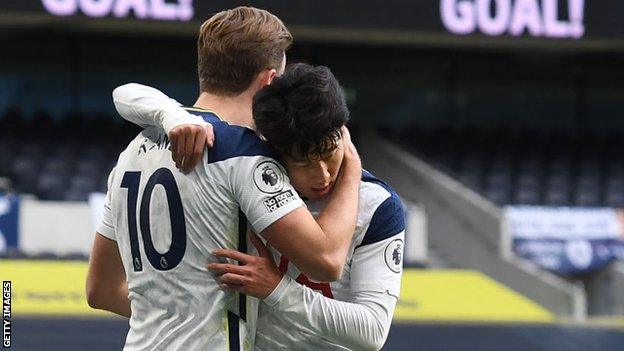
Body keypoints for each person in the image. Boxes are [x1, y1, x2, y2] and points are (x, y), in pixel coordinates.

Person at [86, 7, 361, 351]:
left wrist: (175, 312)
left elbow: (100, 290)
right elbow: (327, 261)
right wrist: (351, 167)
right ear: (270, 81)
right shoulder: (242, 153)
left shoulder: (131, 153)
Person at [113, 64, 405, 350]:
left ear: (344, 134)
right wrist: (172, 115)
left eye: (329, 154)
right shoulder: (253, 180)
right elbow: (126, 94)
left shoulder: (378, 206)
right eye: (302, 162)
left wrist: (277, 289)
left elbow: (372, 331)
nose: (322, 175)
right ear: (272, 150)